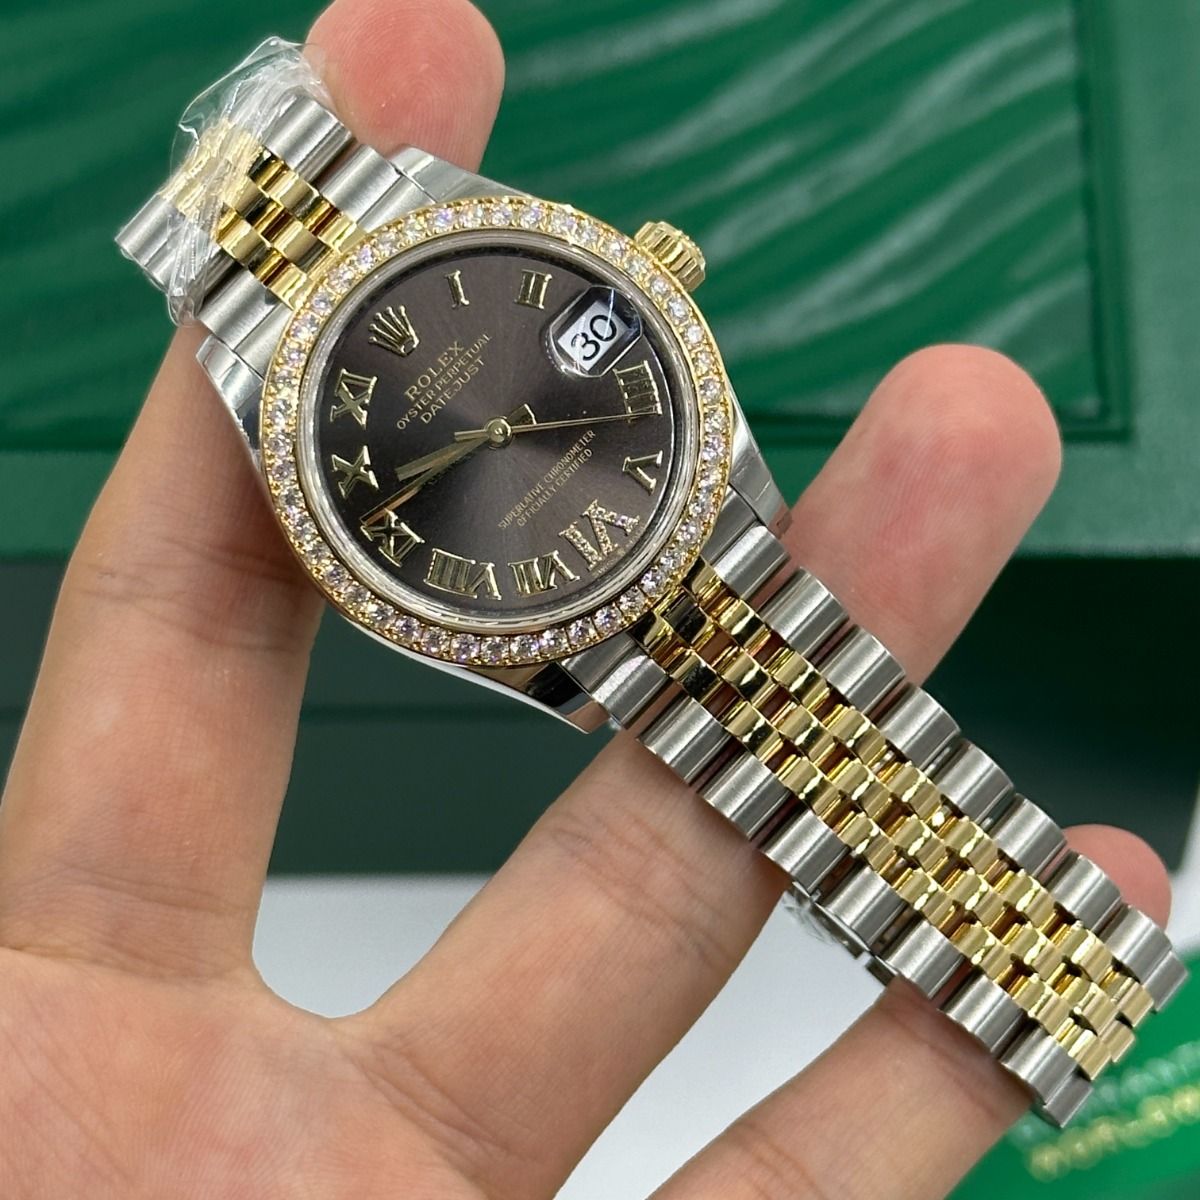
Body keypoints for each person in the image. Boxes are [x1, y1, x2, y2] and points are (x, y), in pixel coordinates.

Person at [0, 0, 1171, 1195]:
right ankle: (1051, 979)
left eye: (500, 419)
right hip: (599, 594)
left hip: (664, 540)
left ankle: (1050, 973)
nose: (495, 430)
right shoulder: (288, 405)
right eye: (475, 440)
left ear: (642, 275)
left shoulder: (418, 252)